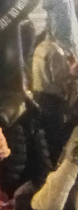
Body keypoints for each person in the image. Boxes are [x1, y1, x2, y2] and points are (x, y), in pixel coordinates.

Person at [32, 33, 73, 164]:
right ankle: (53, 164)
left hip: (38, 96)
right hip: (53, 100)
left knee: (44, 137)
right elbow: (60, 78)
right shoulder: (57, 52)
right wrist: (72, 72)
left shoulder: (41, 46)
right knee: (55, 137)